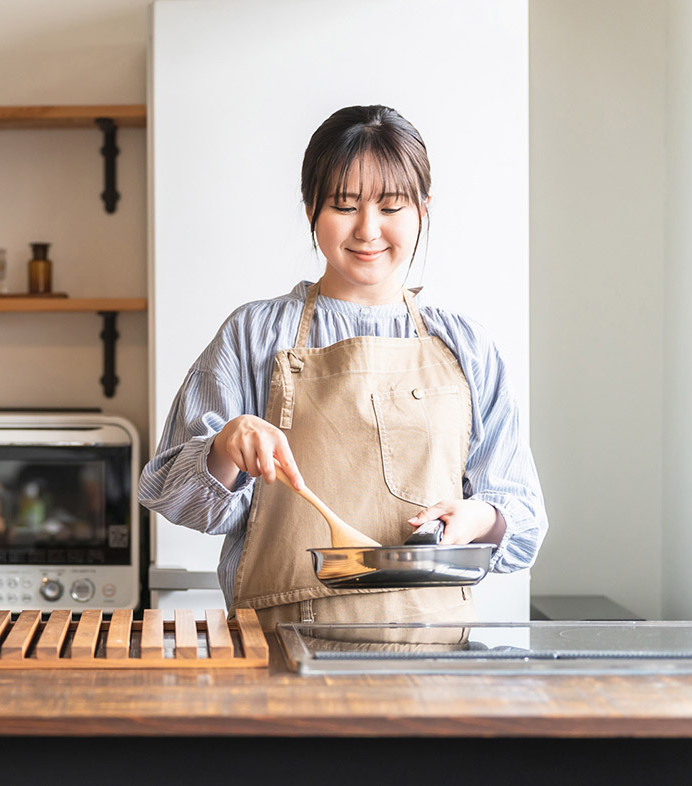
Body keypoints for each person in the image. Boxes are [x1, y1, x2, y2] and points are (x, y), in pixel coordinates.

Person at [139, 105, 548, 632]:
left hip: (434, 660)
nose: (368, 229)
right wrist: (224, 446)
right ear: (311, 206)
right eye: (344, 205)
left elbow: (522, 517)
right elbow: (173, 495)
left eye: (392, 206)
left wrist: (480, 519)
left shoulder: (466, 347)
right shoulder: (254, 334)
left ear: (424, 209)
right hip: (278, 654)